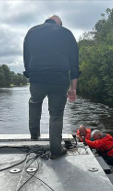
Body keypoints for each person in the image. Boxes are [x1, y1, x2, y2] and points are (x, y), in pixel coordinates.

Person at [23, 14, 79, 159]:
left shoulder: (32, 31)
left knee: (34, 102)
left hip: (37, 78)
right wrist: (73, 88)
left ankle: (34, 133)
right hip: (59, 79)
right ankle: (55, 150)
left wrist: (30, 74)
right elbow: (74, 62)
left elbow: (26, 56)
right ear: (59, 24)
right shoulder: (66, 33)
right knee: (56, 114)